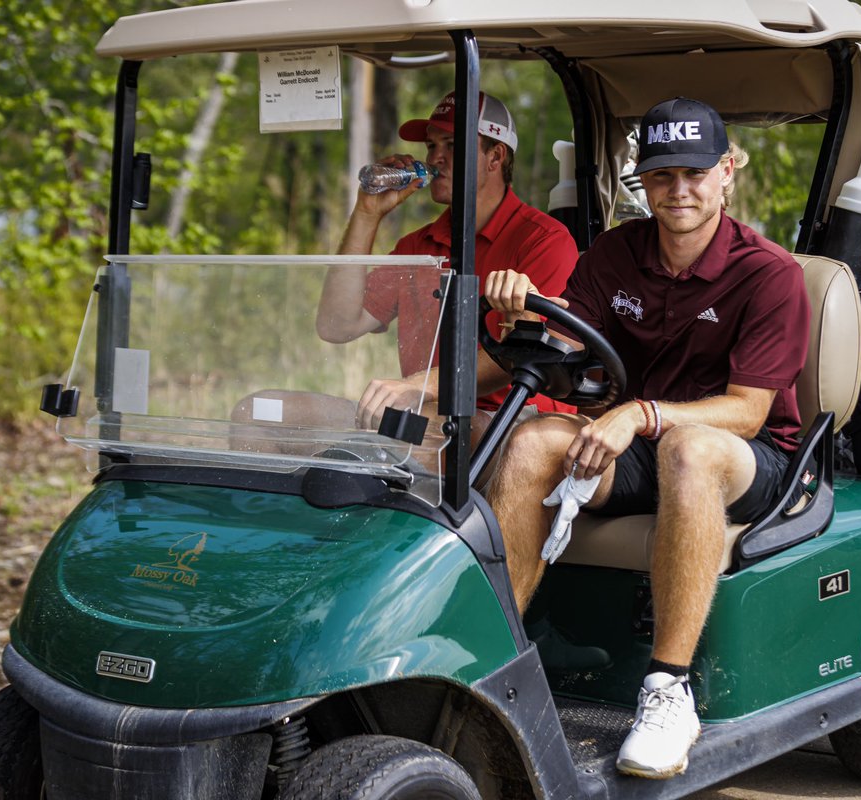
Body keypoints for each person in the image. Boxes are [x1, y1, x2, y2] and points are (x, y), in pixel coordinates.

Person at [483, 97, 811, 779]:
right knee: (530, 442)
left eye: (696, 173)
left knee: (686, 449)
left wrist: (640, 415)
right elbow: (565, 346)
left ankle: (668, 692)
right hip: (642, 440)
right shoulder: (616, 252)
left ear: (728, 172)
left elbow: (749, 412)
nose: (679, 189)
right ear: (643, 178)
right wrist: (515, 310)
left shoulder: (769, 273)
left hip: (750, 457)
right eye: (663, 175)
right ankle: (493, 668)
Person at [316, 91, 578, 432]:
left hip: (519, 423)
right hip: (427, 413)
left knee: (410, 430)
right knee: (262, 411)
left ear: (495, 157)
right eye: (430, 146)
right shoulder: (418, 245)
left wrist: (415, 387)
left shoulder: (544, 241)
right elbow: (337, 325)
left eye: (452, 145)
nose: (436, 158)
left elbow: (523, 358)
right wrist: (366, 214)